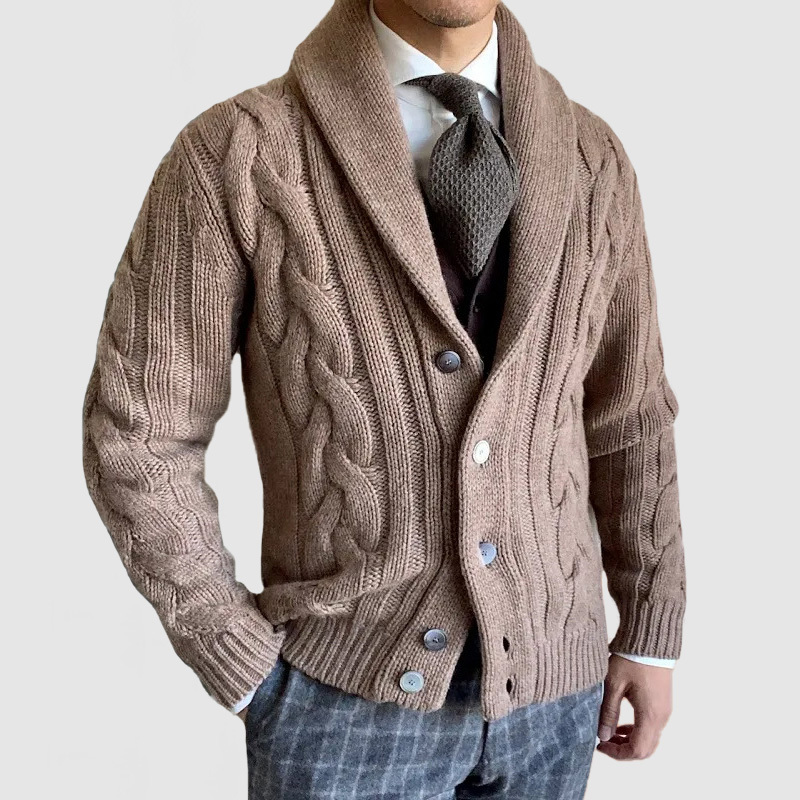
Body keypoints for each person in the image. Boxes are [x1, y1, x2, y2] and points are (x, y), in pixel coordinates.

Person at [81, 0, 686, 796]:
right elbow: (138, 430)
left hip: (554, 702)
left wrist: (649, 626)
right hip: (339, 705)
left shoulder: (593, 159)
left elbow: (630, 414)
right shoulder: (234, 153)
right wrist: (235, 654)